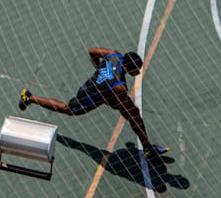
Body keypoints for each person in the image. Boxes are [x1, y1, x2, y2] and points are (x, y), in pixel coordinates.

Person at [19, 47, 168, 157]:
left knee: (133, 113)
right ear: (128, 69)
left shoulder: (113, 55)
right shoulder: (120, 86)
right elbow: (121, 102)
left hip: (106, 90)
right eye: (137, 70)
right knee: (68, 109)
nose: (139, 72)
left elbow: (92, 51)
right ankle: (29, 97)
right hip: (92, 94)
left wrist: (100, 69)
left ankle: (148, 148)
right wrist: (125, 108)